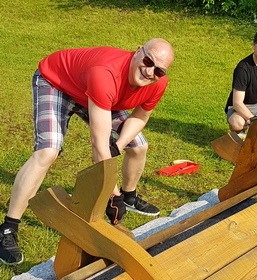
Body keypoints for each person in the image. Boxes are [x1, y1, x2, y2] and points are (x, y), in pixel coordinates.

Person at [0, 39, 174, 265]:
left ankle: (129, 197)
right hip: (56, 83)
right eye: (148, 61)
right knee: (47, 152)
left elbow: (140, 117)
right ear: (138, 51)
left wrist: (118, 145)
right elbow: (98, 145)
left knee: (138, 146)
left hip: (97, 95)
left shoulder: (157, 84)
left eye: (158, 70)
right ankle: (8, 228)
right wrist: (112, 195)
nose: (150, 72)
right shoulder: (106, 73)